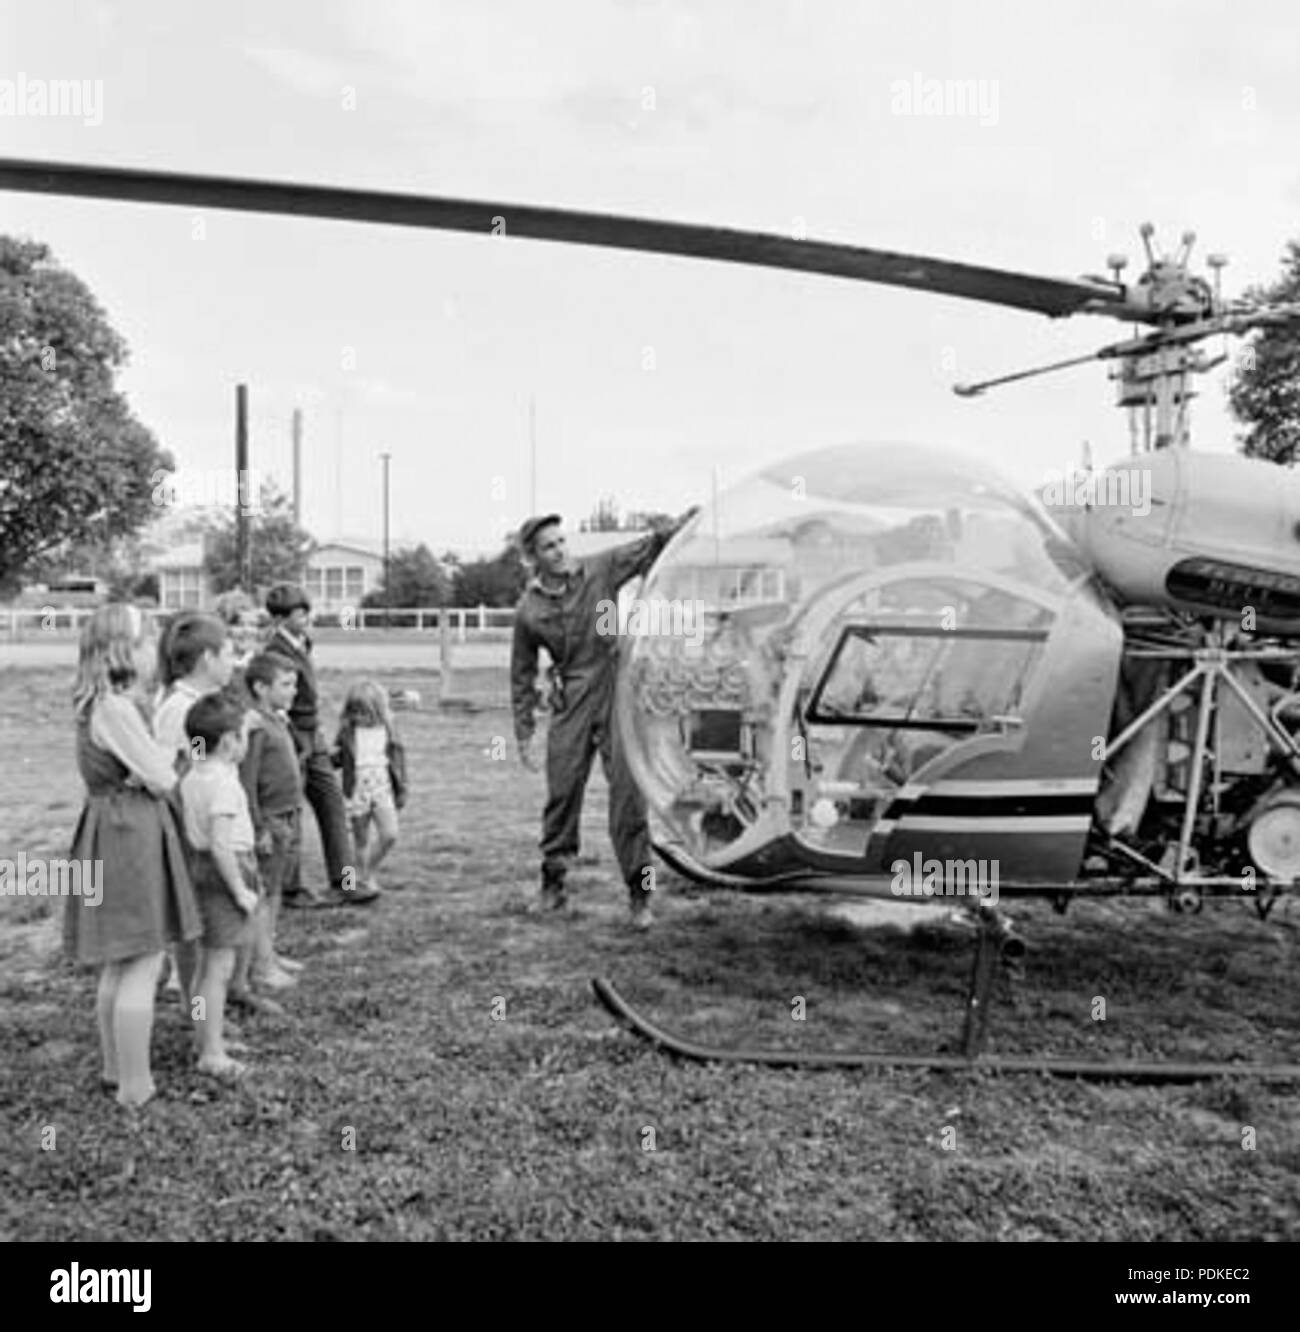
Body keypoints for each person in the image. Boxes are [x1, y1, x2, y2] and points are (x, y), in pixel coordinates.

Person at [510, 508, 698, 928]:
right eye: (548, 547)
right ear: (533, 557)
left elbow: (649, 545)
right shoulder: (528, 611)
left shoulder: (601, 568)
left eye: (561, 542)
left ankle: (640, 896)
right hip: (571, 698)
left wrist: (687, 521)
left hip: (617, 686)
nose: (559, 551)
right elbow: (521, 675)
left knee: (629, 798)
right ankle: (553, 887)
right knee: (561, 793)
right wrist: (524, 732)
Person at [64, 603, 201, 1108]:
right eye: (145, 644)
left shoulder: (97, 704)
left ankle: (114, 1067)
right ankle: (135, 1083)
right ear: (123, 650)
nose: (151, 654)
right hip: (128, 831)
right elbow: (162, 778)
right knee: (144, 956)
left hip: (108, 825)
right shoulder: (116, 709)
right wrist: (174, 749)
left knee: (120, 961)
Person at [264, 584, 376, 907]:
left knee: (332, 802)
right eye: (299, 614)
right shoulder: (274, 651)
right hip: (292, 734)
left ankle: (346, 881)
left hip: (313, 733)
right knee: (292, 810)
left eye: (306, 612)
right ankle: (290, 888)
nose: (306, 619)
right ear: (280, 619)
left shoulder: (302, 643)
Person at [153, 611, 234, 1007]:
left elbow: (198, 758)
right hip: (185, 835)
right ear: (207, 658)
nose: (234, 663)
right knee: (190, 926)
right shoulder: (179, 709)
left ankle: (203, 1003)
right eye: (229, 654)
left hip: (201, 830)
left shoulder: (200, 703)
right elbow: (175, 767)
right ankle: (193, 1004)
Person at [179, 694, 261, 1080]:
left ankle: (203, 1037)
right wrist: (240, 891)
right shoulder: (224, 786)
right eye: (244, 735)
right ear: (229, 742)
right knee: (219, 968)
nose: (247, 742)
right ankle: (212, 1052)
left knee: (204, 967)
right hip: (223, 873)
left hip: (197, 869)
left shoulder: (193, 777)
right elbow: (221, 844)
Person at [239, 651, 306, 985]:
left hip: (288, 815)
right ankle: (261, 966)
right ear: (261, 688)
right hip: (270, 819)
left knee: (276, 889)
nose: (294, 690)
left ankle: (270, 951)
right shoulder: (254, 727)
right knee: (263, 893)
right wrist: (258, 826)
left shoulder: (278, 719)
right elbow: (247, 781)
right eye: (286, 684)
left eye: (294, 683)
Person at [331, 680, 407, 894]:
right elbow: (336, 758)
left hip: (382, 790)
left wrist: (402, 789)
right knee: (359, 842)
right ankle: (351, 884)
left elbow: (399, 761)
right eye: (355, 712)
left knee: (389, 834)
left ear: (377, 710)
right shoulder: (347, 732)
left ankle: (366, 872)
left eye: (364, 712)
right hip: (356, 792)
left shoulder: (389, 730)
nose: (359, 718)